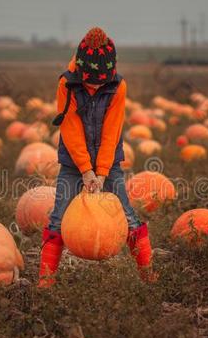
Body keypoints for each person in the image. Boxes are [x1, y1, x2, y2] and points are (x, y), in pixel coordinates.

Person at [37, 27, 157, 288]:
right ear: (81, 72)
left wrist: (101, 171)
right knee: (58, 218)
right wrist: (85, 169)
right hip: (72, 162)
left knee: (128, 217)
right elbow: (70, 128)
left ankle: (150, 278)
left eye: (101, 82)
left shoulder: (118, 87)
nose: (96, 86)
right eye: (91, 81)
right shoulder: (66, 84)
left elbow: (112, 131)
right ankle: (44, 285)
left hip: (109, 162)